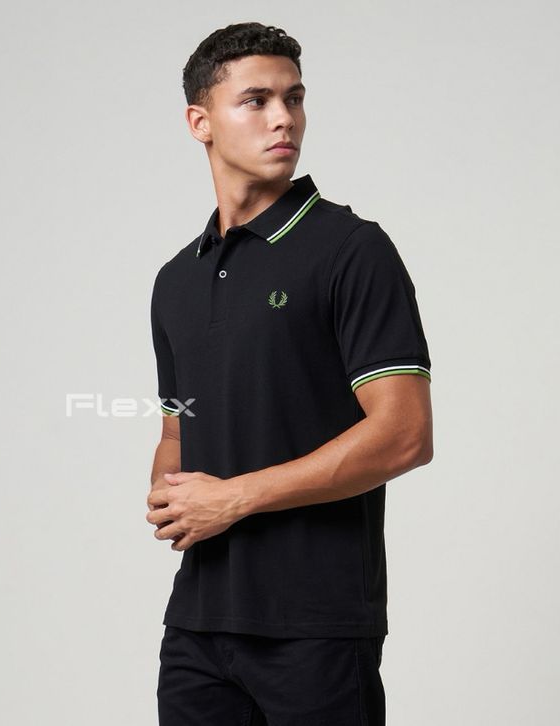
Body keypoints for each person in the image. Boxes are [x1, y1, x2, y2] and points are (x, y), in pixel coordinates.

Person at [146, 21, 433, 726]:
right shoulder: (175, 280)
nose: (284, 118)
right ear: (200, 122)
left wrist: (233, 498)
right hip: (198, 625)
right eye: (256, 100)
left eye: (294, 98)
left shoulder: (351, 250)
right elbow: (177, 427)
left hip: (317, 626)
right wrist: (169, 491)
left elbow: (404, 434)